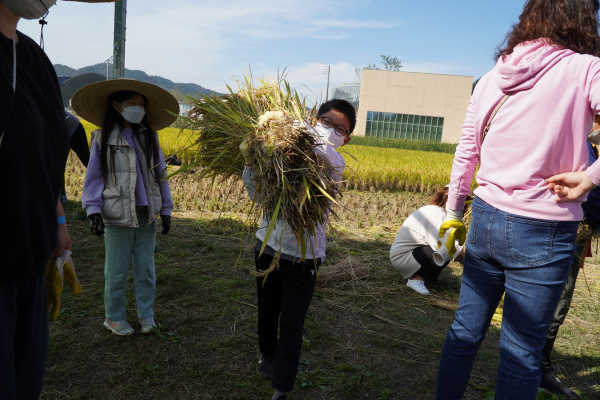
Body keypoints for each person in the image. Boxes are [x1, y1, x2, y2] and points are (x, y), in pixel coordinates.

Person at [434, 0, 600, 399]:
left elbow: (466, 151)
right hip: (544, 227)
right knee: (521, 353)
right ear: (584, 19)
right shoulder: (585, 69)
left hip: (485, 221)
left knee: (464, 332)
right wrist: (590, 178)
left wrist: (455, 212)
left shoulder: (493, 76)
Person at [241, 99, 355, 400]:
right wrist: (252, 160)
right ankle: (267, 354)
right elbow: (258, 194)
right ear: (315, 118)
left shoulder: (334, 162)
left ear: (347, 138)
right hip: (268, 246)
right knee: (267, 312)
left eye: (340, 129)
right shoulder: (282, 142)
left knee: (292, 322)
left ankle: (282, 389)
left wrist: (293, 144)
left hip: (306, 257)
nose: (331, 131)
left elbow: (315, 205)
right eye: (327, 123)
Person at [74, 79, 178, 336]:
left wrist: (166, 210)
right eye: (133, 103)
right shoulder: (103, 138)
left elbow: (160, 176)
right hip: (117, 214)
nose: (138, 108)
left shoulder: (149, 136)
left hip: (147, 214)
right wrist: (93, 211)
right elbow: (94, 177)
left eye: (141, 104)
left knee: (146, 269)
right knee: (117, 271)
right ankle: (114, 317)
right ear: (117, 105)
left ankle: (147, 315)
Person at [539, 118, 600, 399]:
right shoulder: (574, 135)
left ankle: (537, 365)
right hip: (556, 231)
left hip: (576, 234)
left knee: (558, 303)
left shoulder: (593, 142)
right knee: (551, 302)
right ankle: (535, 369)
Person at [390, 187, 470, 295]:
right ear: (447, 200)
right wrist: (473, 253)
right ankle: (416, 280)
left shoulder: (440, 213)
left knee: (447, 251)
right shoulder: (436, 213)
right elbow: (442, 244)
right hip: (402, 257)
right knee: (444, 251)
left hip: (411, 254)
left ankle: (420, 275)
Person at [60, 110, 90, 202]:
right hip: (60, 131)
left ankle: (104, 189)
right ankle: (61, 195)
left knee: (88, 161)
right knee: (58, 164)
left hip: (74, 129)